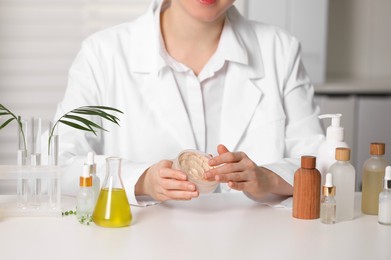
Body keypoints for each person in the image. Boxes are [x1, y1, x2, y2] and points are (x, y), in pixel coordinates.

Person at [54, 0, 324, 206]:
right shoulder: (102, 55)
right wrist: (141, 180)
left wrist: (266, 178)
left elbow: (321, 161)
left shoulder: (280, 50)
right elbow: (60, 162)